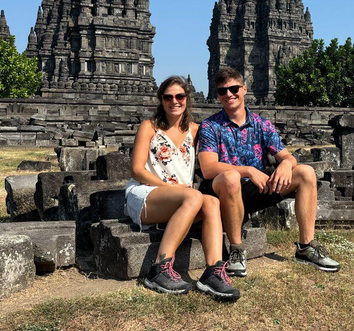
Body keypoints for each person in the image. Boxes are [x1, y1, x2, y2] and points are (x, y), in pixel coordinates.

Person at [197, 67, 340, 277]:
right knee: (230, 177)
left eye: (233, 88)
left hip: (258, 188)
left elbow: (288, 157)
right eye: (222, 91)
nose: (229, 94)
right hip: (223, 191)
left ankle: (306, 246)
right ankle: (236, 249)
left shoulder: (261, 124)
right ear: (217, 95)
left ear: (244, 89)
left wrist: (285, 164)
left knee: (306, 173)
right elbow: (208, 169)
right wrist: (248, 170)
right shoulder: (210, 126)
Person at [125, 76, 240, 300]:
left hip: (184, 200)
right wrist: (171, 189)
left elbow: (218, 153)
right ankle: (159, 268)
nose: (174, 101)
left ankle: (213, 272)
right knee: (194, 196)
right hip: (146, 195)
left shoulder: (196, 131)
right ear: (161, 100)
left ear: (187, 99)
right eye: (168, 97)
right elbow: (137, 171)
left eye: (179, 96)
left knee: (212, 202)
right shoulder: (149, 127)